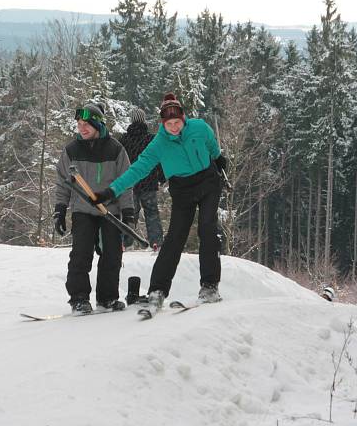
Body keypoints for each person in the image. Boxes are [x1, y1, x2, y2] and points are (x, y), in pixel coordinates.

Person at [93, 93, 227, 312]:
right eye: (168, 124)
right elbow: (138, 168)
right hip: (182, 190)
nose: (173, 128)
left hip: (208, 182)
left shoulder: (199, 128)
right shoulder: (159, 143)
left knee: (207, 228)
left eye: (177, 123)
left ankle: (209, 286)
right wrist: (111, 191)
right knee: (174, 238)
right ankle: (157, 290)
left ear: (184, 119)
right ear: (162, 124)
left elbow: (212, 144)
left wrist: (219, 159)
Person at [53, 100, 136, 315]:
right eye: (79, 124)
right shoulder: (71, 150)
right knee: (81, 253)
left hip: (110, 210)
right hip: (83, 210)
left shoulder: (116, 150)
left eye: (86, 124)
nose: (82, 128)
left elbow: (126, 183)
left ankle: (107, 299)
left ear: (98, 125)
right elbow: (63, 181)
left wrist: (128, 215)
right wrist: (60, 210)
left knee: (112, 255)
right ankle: (79, 298)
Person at [118, 107, 165, 251]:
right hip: (148, 182)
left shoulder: (124, 140)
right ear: (143, 120)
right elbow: (158, 159)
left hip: (129, 182)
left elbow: (118, 162)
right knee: (152, 213)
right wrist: (162, 177)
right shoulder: (151, 139)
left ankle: (125, 243)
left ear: (131, 120)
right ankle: (156, 243)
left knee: (129, 213)